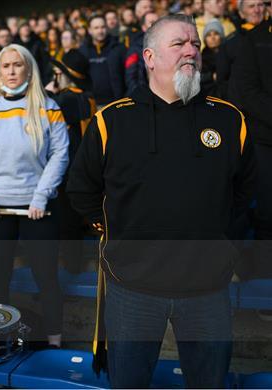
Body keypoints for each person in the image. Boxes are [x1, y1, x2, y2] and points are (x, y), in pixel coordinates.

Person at [67, 14, 255, 388]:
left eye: (196, 45)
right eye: (180, 44)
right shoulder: (111, 121)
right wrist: (121, 232)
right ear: (150, 58)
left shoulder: (230, 119)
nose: (191, 51)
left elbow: (247, 191)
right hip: (132, 290)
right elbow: (80, 190)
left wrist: (221, 241)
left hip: (207, 290)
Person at [0, 44, 69, 347]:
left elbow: (60, 154)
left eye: (17, 65)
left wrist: (41, 195)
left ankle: (55, 343)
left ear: (29, 69)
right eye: (6, 66)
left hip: (38, 209)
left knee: (47, 278)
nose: (11, 71)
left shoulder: (49, 108)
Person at [46, 49, 96, 273]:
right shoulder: (85, 96)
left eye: (58, 72)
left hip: (67, 171)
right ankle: (74, 268)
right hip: (83, 168)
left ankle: (70, 273)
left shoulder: (64, 99)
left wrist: (47, 94)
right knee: (73, 225)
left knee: (65, 225)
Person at [232, 7, 272, 279]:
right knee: (268, 212)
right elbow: (247, 90)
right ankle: (266, 280)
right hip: (265, 138)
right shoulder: (252, 39)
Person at [216, 0, 266, 101]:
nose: (257, 10)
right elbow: (222, 79)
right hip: (241, 108)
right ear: (241, 13)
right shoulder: (230, 42)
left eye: (260, 5)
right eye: (251, 6)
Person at [79, 15, 126, 107]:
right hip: (93, 104)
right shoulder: (83, 51)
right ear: (89, 30)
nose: (100, 31)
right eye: (96, 28)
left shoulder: (118, 48)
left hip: (117, 102)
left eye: (103, 27)